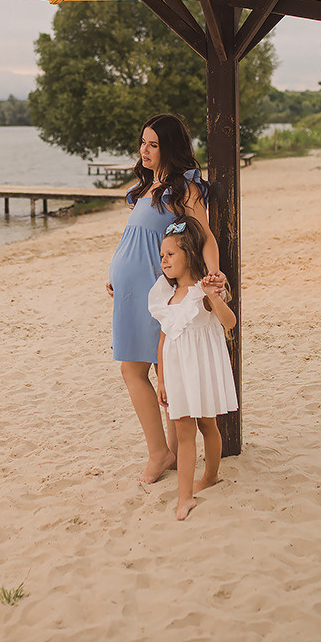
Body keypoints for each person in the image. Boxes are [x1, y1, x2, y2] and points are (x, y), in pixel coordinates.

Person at [106, 113, 226, 484]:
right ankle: (172, 452)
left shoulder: (183, 188)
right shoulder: (146, 186)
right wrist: (115, 274)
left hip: (154, 291)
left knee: (134, 369)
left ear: (169, 148)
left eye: (153, 144)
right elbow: (137, 240)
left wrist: (213, 274)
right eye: (143, 142)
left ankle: (159, 454)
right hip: (128, 290)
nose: (144, 150)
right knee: (162, 371)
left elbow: (203, 235)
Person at [148, 216, 238, 520]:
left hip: (201, 369)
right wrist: (160, 379)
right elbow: (163, 340)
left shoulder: (204, 291)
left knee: (207, 425)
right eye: (162, 256)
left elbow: (230, 323)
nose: (164, 260)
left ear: (189, 254)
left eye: (170, 254)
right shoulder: (166, 296)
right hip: (175, 373)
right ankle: (183, 497)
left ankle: (211, 475)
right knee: (184, 432)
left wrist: (215, 297)